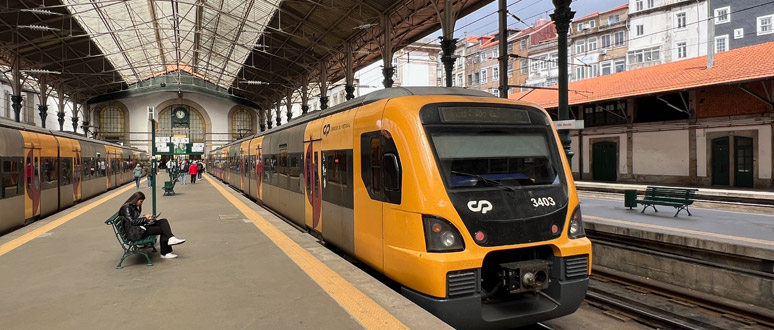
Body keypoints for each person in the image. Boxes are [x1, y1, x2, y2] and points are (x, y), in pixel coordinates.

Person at [119, 192, 186, 259]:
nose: (141, 203)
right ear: (136, 199)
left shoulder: (132, 206)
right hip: (136, 233)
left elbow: (133, 219)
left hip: (139, 228)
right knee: (162, 229)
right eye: (141, 201)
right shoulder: (127, 208)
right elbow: (132, 222)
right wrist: (145, 219)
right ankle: (165, 253)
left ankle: (171, 238)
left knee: (163, 221)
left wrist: (145, 216)